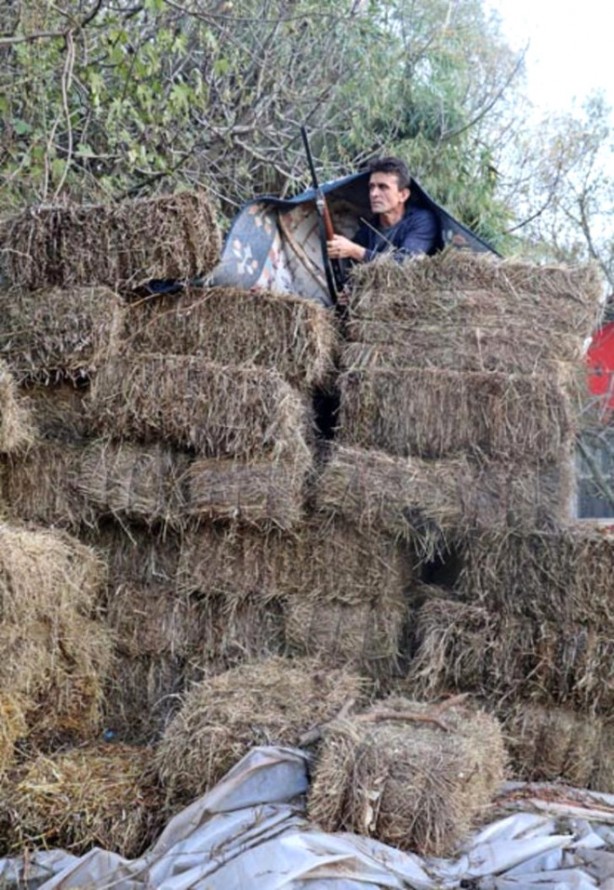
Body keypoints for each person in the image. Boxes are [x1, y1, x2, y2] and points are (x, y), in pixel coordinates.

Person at [326, 156, 440, 265]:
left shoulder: (422, 221)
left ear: (403, 195)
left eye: (383, 187)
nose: (374, 194)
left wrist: (356, 251)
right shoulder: (367, 230)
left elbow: (406, 264)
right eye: (371, 187)